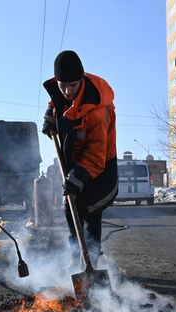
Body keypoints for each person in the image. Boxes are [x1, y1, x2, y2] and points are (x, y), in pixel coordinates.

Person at [42, 50, 118, 270]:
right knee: (70, 206)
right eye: (62, 85)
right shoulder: (61, 91)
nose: (66, 91)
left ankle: (90, 262)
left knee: (89, 209)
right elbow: (55, 102)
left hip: (101, 165)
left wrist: (79, 176)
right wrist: (50, 118)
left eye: (72, 86)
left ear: (81, 79)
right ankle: (77, 256)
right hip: (75, 161)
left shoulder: (96, 108)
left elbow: (96, 153)